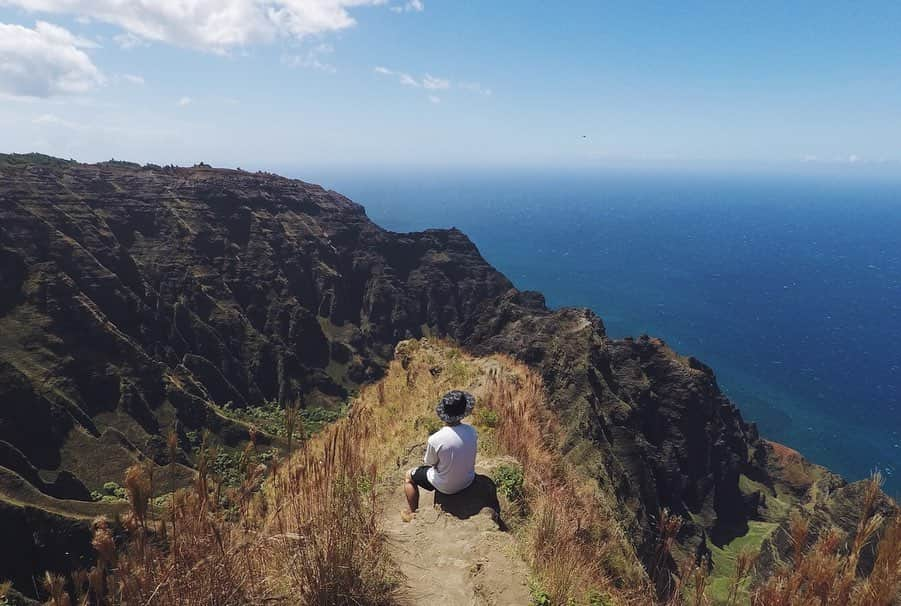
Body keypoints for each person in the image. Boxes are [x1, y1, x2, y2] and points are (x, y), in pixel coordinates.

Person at [404, 390, 478, 514]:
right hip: (468, 481)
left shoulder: (435, 439)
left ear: (443, 413)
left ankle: (413, 513)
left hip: (445, 487)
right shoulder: (472, 431)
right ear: (463, 412)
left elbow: (430, 462)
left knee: (408, 476)